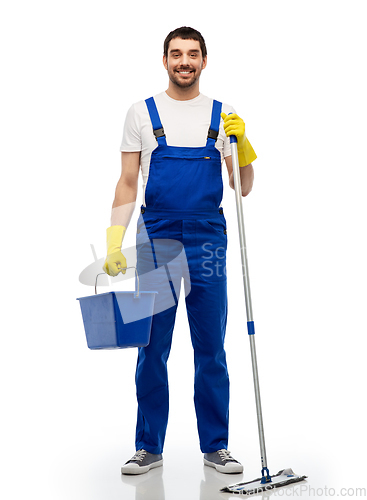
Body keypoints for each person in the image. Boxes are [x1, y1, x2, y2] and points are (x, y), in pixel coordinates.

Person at [103, 26, 257, 475]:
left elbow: (241, 187)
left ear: (204, 61)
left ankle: (217, 446)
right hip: (157, 237)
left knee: (211, 347)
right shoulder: (141, 112)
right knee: (151, 346)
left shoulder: (222, 114)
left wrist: (242, 144)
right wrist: (115, 238)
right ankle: (147, 447)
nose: (184, 62)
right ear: (165, 60)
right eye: (176, 54)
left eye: (193, 54)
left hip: (209, 239)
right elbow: (129, 182)